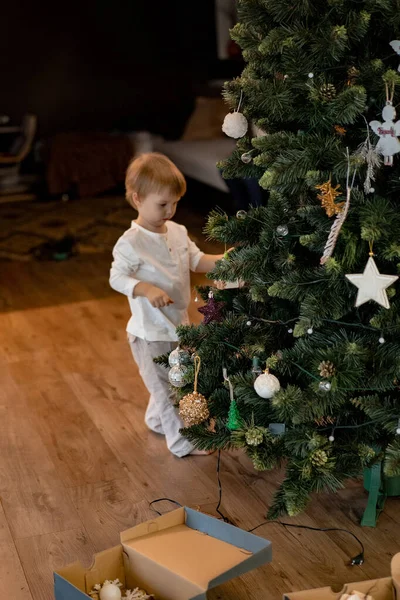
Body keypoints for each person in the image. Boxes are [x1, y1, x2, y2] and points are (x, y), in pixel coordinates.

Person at [110, 153, 226, 457]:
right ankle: (182, 442)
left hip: (178, 326)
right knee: (168, 390)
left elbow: (197, 261)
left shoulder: (177, 231)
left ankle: (156, 420)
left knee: (178, 380)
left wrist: (226, 262)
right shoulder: (131, 242)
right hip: (149, 334)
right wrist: (145, 289)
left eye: (175, 203)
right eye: (162, 204)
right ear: (137, 199)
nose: (170, 211)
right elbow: (116, 277)